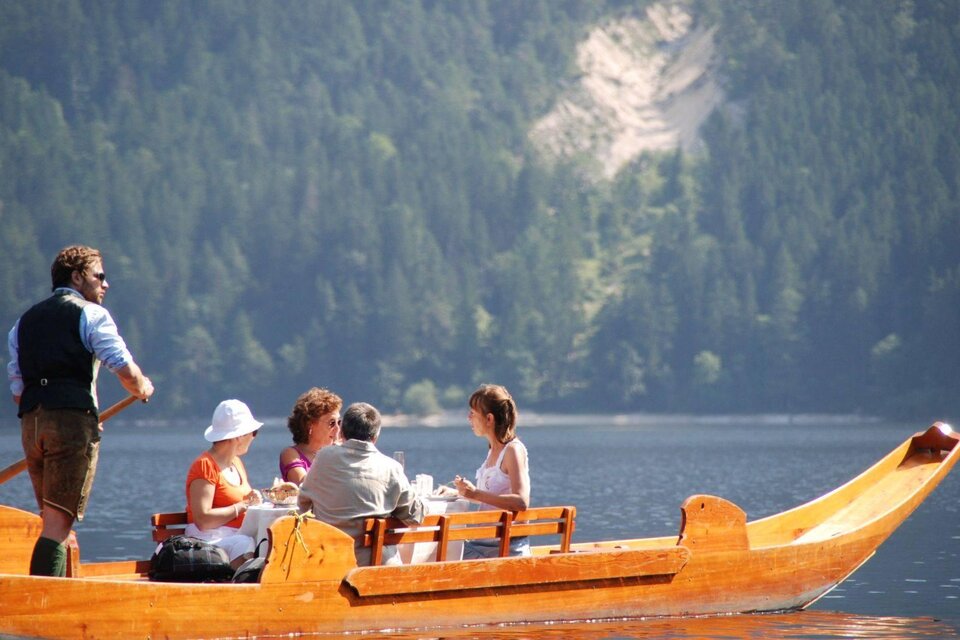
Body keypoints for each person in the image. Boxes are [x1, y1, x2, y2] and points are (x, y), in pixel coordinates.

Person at [7, 245, 154, 577]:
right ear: (77, 277)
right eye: (99, 276)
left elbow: (18, 390)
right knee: (58, 522)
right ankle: (43, 604)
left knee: (50, 516)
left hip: (31, 424)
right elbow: (124, 370)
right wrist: (143, 387)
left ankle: (51, 592)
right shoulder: (91, 314)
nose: (106, 283)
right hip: (70, 424)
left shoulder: (23, 322)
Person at [298, 402, 424, 566]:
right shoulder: (391, 467)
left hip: (328, 564)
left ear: (341, 431)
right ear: (375, 436)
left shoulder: (323, 457)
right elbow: (415, 516)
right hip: (375, 567)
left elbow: (303, 501)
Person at [454, 384, 531, 559]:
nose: (468, 418)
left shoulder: (513, 450)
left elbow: (521, 501)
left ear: (489, 419)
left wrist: (475, 494)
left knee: (439, 551)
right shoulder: (493, 451)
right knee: (438, 548)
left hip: (504, 547)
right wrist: (458, 493)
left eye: (473, 413)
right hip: (487, 543)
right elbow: (490, 498)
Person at [184, 399, 263, 570]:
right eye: (254, 432)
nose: (254, 437)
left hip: (233, 537)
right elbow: (203, 520)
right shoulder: (205, 465)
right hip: (208, 541)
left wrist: (251, 500)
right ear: (239, 436)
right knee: (245, 543)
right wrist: (242, 505)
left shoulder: (236, 463)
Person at [279, 387, 343, 484]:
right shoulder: (290, 454)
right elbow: (303, 484)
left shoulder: (337, 453)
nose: (338, 428)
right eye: (332, 423)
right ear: (310, 424)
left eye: (339, 422)